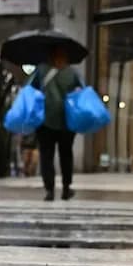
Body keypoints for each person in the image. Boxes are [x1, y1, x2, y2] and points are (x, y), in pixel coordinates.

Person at [36, 47, 82, 201]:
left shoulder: (41, 70)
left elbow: (30, 88)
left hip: (45, 120)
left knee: (46, 155)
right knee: (66, 154)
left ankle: (49, 190)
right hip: (67, 120)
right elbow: (81, 91)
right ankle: (66, 188)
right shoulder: (72, 73)